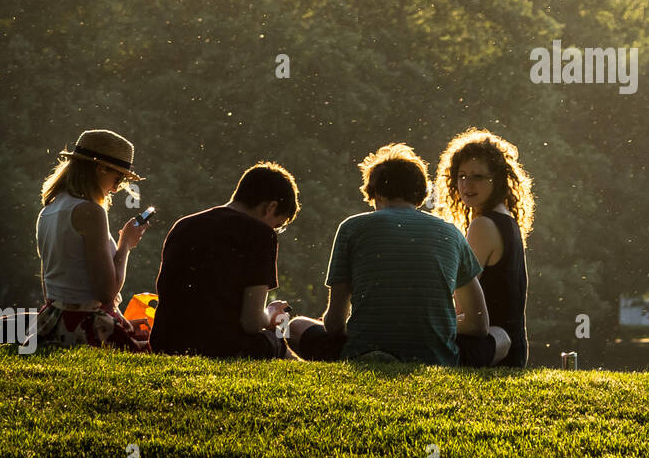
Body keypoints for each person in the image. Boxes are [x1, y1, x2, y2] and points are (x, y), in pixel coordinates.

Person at [288, 143, 490, 365]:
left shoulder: (351, 228)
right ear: (422, 194)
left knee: (295, 326)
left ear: (374, 193)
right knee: (502, 338)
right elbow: (479, 324)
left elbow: (335, 324)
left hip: (364, 352)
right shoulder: (450, 233)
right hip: (435, 357)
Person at [150, 162, 299, 359]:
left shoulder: (184, 225)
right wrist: (271, 313)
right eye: (277, 225)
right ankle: (301, 368)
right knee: (278, 335)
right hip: (221, 346)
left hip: (167, 342)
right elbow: (252, 322)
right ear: (270, 208)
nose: (274, 231)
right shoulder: (259, 234)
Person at [34, 129, 150, 350]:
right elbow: (105, 293)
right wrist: (126, 243)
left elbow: (55, 286)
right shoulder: (90, 211)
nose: (116, 188)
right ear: (100, 169)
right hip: (86, 327)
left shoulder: (49, 209)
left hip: (51, 322)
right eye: (118, 178)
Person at [435, 128, 533, 368]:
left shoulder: (483, 226)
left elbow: (460, 302)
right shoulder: (506, 219)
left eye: (478, 177)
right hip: (513, 345)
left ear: (497, 180)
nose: (468, 184)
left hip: (493, 345)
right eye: (462, 175)